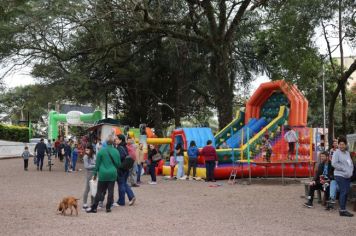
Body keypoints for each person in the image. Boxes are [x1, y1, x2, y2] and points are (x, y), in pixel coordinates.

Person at [87, 137, 120, 213]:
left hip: (102, 173)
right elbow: (118, 164)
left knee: (99, 191)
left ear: (105, 143)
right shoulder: (116, 151)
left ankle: (94, 207)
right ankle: (108, 207)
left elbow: (97, 165)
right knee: (111, 191)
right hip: (112, 173)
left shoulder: (101, 151)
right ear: (113, 143)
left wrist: (95, 174)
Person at [331, 136, 354, 217]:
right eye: (340, 144)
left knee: (346, 191)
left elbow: (350, 163)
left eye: (343, 144)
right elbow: (334, 163)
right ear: (338, 144)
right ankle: (342, 210)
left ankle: (343, 209)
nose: (341, 146)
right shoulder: (336, 152)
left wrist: (350, 171)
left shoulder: (347, 153)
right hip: (340, 175)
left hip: (347, 176)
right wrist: (344, 169)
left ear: (346, 144)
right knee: (343, 191)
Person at [113, 134, 136, 206]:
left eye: (116, 139)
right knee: (124, 183)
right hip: (126, 168)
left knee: (121, 184)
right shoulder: (125, 146)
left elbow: (121, 157)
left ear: (120, 140)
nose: (115, 140)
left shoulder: (120, 147)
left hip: (121, 169)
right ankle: (131, 196)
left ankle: (121, 201)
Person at [82, 144, 96, 210]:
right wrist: (94, 165)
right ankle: (84, 204)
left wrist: (93, 165)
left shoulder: (94, 155)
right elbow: (86, 166)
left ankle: (93, 203)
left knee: (94, 189)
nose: (86, 151)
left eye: (87, 150)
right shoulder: (85, 157)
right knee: (87, 189)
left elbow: (96, 163)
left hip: (95, 174)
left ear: (91, 150)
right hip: (89, 174)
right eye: (86, 150)